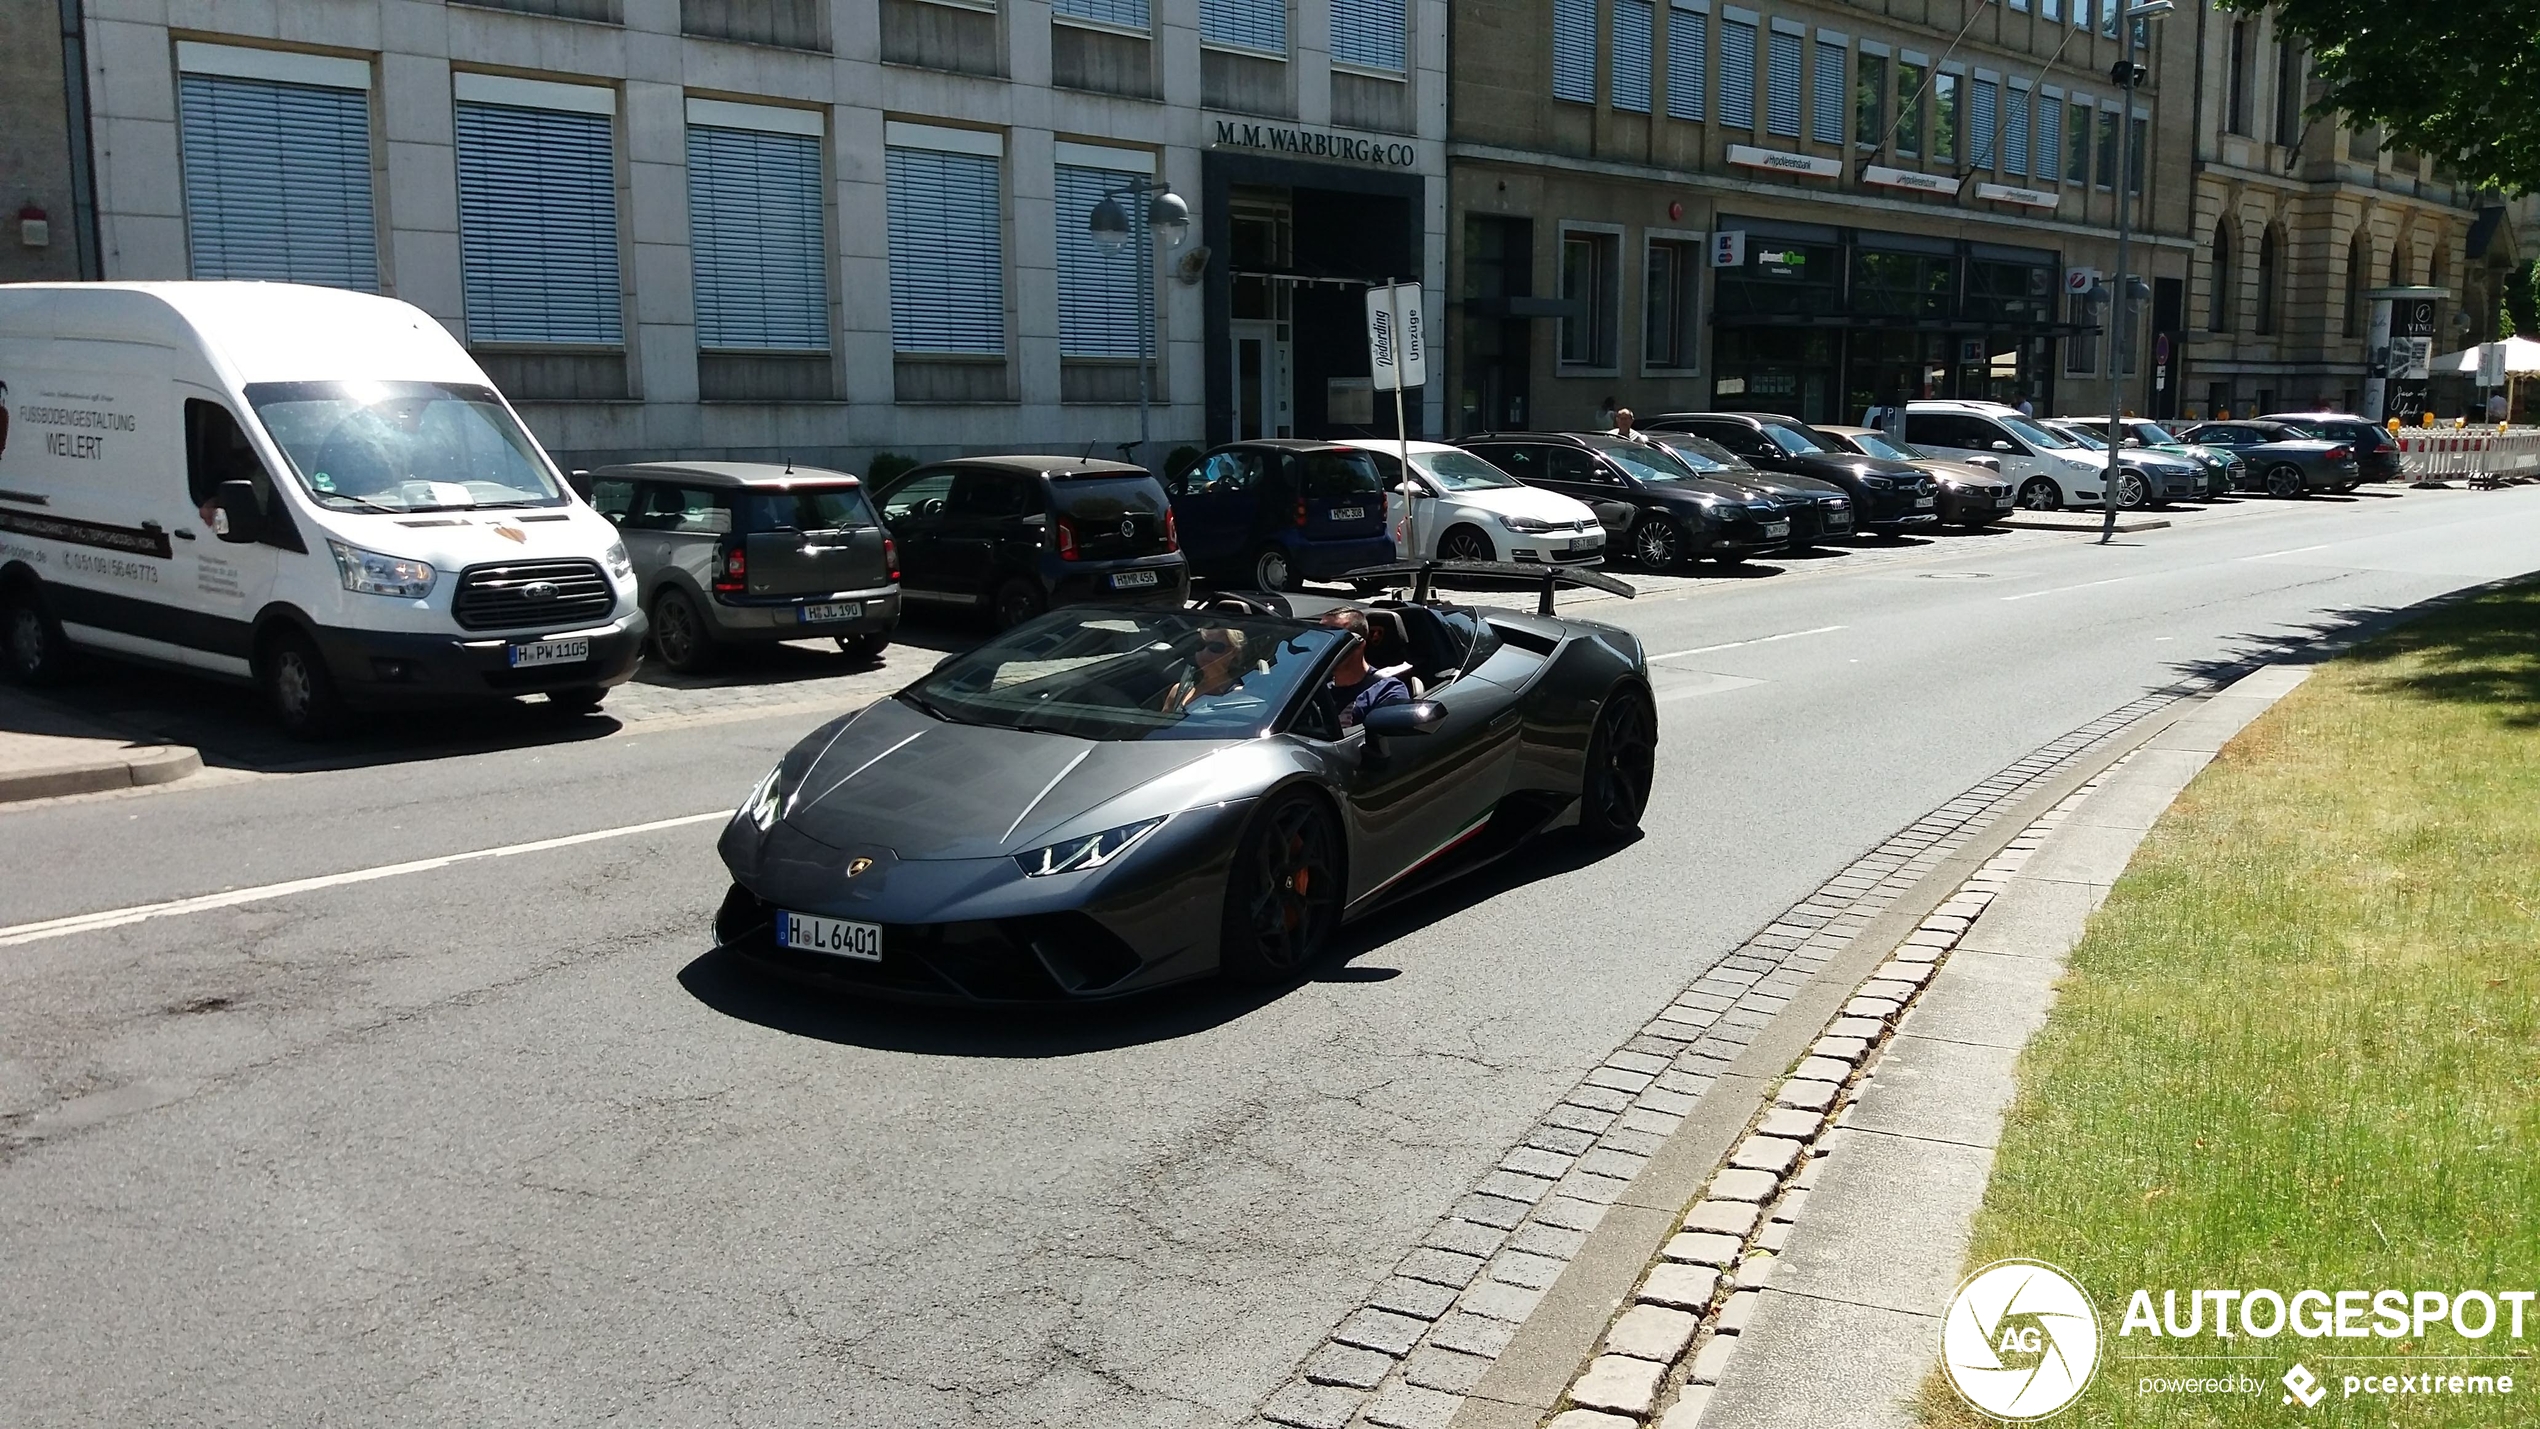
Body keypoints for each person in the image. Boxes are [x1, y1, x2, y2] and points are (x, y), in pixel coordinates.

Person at [1319, 608, 1410, 730]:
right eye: (1321, 639)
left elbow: (1391, 739)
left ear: (1359, 644)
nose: (1324, 648)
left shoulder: (1387, 690)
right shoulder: (1313, 689)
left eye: (1335, 640)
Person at [1159, 626, 1249, 712]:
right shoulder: (1179, 691)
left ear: (1233, 652)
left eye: (1215, 647)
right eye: (1200, 645)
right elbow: (1161, 726)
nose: (1204, 652)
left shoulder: (1240, 697)